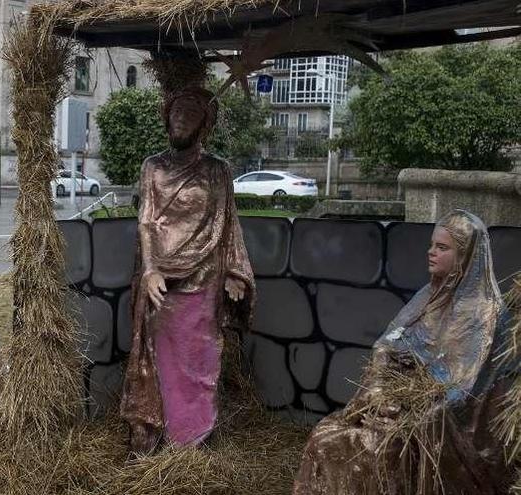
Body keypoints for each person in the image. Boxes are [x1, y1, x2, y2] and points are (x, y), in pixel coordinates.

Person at [293, 210, 516, 494]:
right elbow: (389, 343)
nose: (431, 253)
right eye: (432, 245)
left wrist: (407, 413)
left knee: (373, 450)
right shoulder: (429, 296)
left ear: (466, 257)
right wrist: (379, 389)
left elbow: (465, 389)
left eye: (442, 248)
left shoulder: (485, 314)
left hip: (439, 424)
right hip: (396, 404)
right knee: (325, 437)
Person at [120, 85, 255, 454]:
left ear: (204, 126)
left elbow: (229, 224)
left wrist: (235, 271)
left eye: (191, 115)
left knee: (200, 361)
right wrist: (149, 269)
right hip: (160, 281)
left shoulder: (217, 171)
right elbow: (146, 221)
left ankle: (191, 440)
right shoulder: (153, 166)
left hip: (205, 279)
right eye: (176, 113)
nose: (181, 120)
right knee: (159, 359)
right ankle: (160, 435)